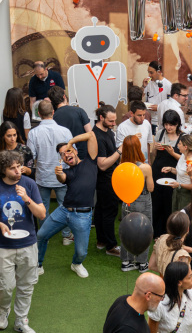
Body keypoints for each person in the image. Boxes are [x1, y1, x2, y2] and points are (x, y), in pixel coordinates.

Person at [36, 132, 98, 278]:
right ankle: (37, 265)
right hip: (63, 211)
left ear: (75, 151)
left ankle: (76, 264)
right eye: (62, 155)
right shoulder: (66, 171)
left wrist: (70, 142)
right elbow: (62, 178)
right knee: (41, 235)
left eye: (68, 151)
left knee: (81, 252)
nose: (66, 155)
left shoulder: (91, 161)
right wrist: (58, 173)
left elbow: (91, 135)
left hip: (83, 215)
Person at [0, 150, 45, 333]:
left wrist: (27, 199)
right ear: (3, 169)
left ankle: (21, 321)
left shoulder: (29, 184)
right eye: (13, 168)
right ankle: (3, 311)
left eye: (19, 166)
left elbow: (41, 214)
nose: (18, 170)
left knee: (27, 285)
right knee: (5, 286)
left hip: (28, 244)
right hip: (3, 246)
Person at [27, 100, 73, 244]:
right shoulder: (65, 131)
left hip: (42, 175)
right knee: (64, 206)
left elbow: (31, 156)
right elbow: (72, 153)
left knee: (43, 208)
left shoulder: (34, 133)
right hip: (62, 174)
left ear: (39, 114)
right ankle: (66, 235)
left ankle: (44, 236)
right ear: (53, 112)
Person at [119, 135, 154, 273]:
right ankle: (142, 263)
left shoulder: (121, 166)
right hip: (143, 200)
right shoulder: (145, 168)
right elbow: (150, 188)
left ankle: (126, 261)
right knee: (144, 230)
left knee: (127, 229)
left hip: (127, 200)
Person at [93, 103, 122, 256]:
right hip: (105, 179)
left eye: (115, 120)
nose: (114, 124)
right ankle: (111, 246)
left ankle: (101, 240)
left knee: (101, 209)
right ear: (101, 117)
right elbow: (102, 165)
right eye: (111, 121)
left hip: (109, 177)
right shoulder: (97, 136)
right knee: (109, 211)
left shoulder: (108, 131)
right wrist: (119, 151)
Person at [151, 110, 183, 238]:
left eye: (171, 125)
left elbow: (184, 160)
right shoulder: (160, 134)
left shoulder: (182, 138)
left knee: (169, 203)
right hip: (158, 172)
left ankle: (168, 232)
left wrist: (172, 153)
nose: (168, 127)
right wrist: (155, 149)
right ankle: (155, 232)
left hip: (173, 173)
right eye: (166, 124)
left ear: (177, 124)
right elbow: (153, 155)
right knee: (156, 202)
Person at [47, 86, 92, 160]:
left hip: (66, 157)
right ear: (64, 96)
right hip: (83, 154)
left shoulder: (53, 118)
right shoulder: (79, 111)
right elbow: (90, 133)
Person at [161, 134, 192, 212]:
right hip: (177, 191)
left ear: (185, 147)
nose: (177, 145)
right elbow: (182, 173)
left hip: (185, 195)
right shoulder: (183, 155)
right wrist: (171, 169)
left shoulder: (191, 162)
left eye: (179, 144)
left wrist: (179, 184)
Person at [149, 211, 192, 276]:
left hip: (162, 283)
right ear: (188, 229)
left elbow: (151, 266)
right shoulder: (183, 256)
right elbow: (186, 282)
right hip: (176, 286)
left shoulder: (161, 239)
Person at [143, 61, 172, 134]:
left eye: (151, 73)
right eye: (148, 72)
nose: (149, 75)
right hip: (149, 120)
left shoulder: (168, 85)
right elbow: (142, 97)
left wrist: (159, 107)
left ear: (158, 72)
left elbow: (171, 104)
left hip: (162, 121)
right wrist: (143, 86)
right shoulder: (148, 83)